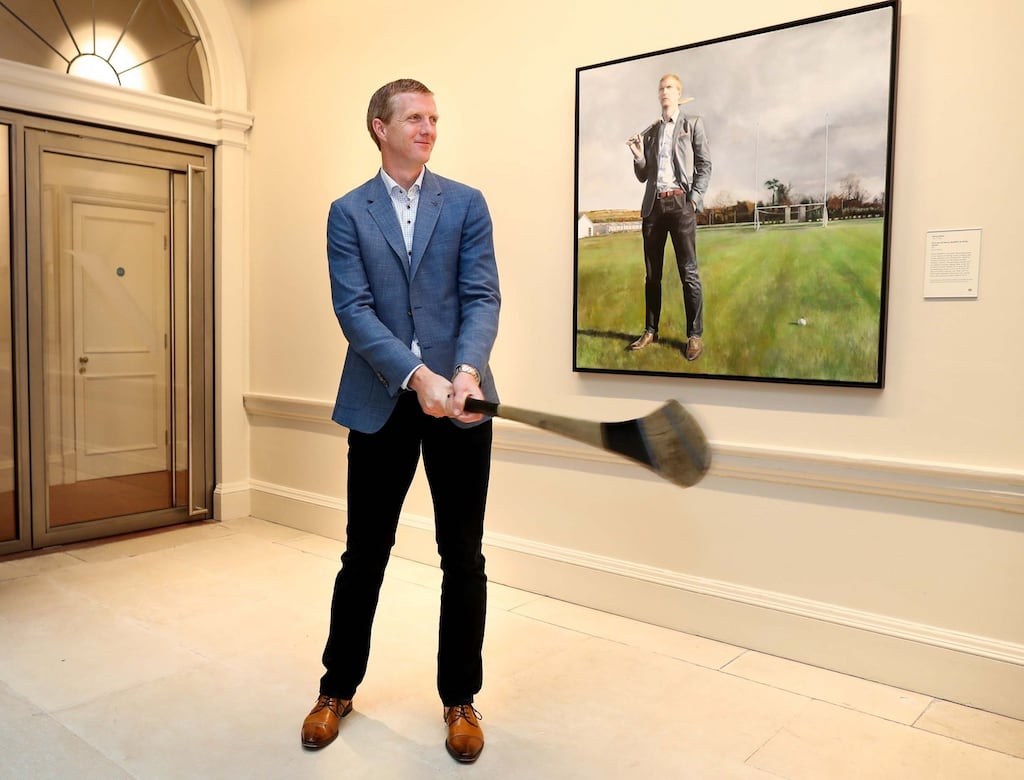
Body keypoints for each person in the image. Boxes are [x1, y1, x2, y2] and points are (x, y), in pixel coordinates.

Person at [300, 78, 500, 765]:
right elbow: (354, 311)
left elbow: (482, 295)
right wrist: (417, 377)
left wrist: (466, 372)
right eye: (415, 117)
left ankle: (461, 699)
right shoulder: (346, 213)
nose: (428, 127)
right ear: (379, 127)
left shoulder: (466, 203)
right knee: (365, 554)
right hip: (383, 400)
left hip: (461, 405)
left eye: (434, 117)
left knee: (463, 557)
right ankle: (336, 690)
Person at [625, 73, 711, 361]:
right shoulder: (650, 132)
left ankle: (694, 336)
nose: (665, 92)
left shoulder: (692, 124)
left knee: (689, 273)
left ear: (678, 94)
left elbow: (704, 164)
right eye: (661, 88)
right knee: (652, 275)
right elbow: (642, 175)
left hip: (680, 205)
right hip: (653, 209)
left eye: (670, 88)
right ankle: (651, 330)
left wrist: (694, 200)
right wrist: (639, 155)